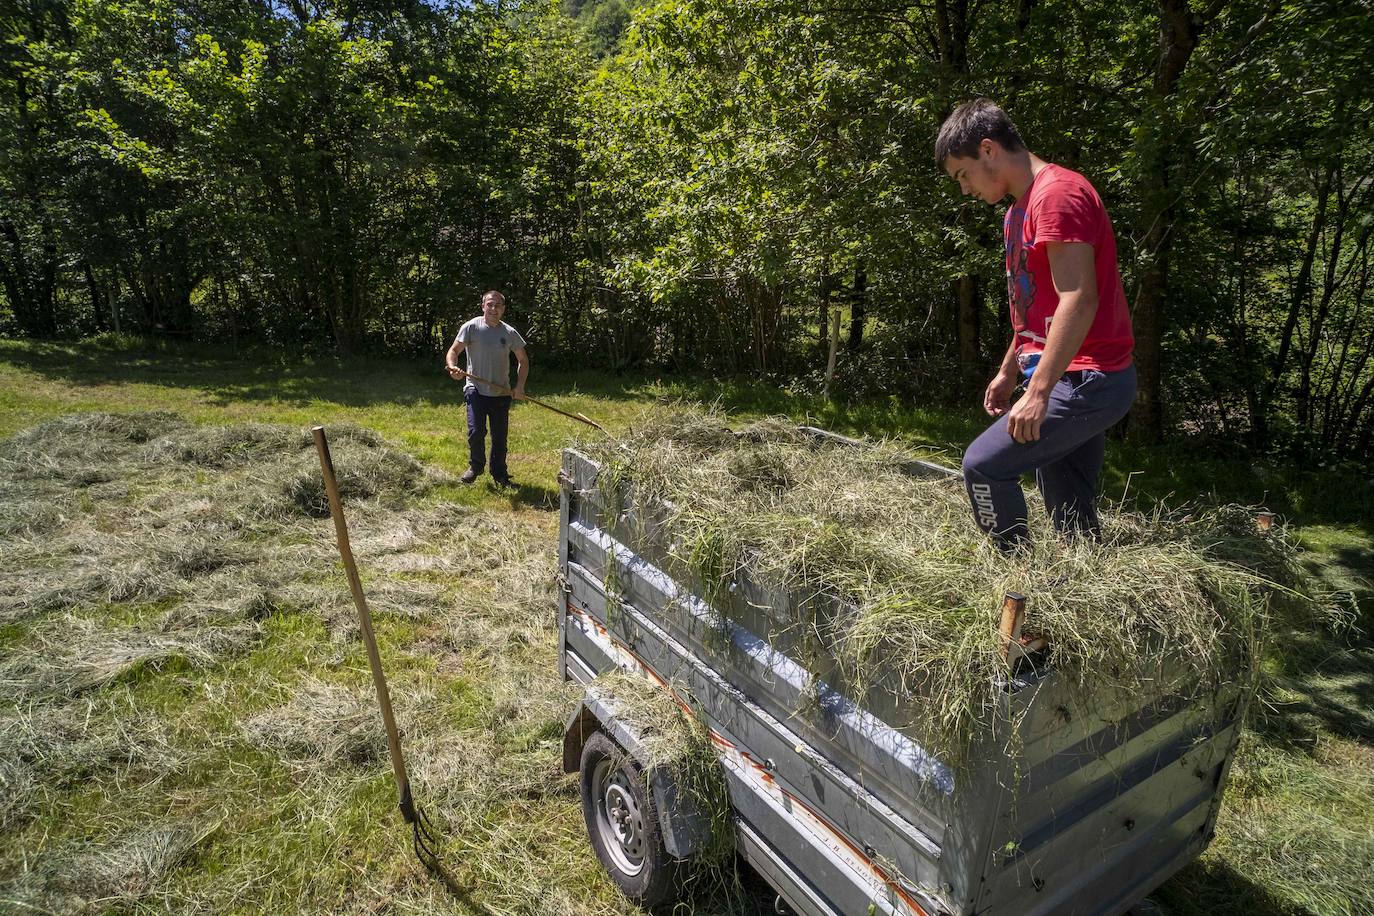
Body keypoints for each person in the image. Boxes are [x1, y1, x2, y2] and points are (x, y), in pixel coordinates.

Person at [935, 99, 1136, 550]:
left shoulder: (1057, 195)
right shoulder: (1017, 212)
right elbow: (1037, 310)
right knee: (1071, 515)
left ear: (988, 150)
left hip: (1089, 377)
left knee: (983, 466)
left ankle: (1014, 577)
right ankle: (1073, 599)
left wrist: (1040, 392)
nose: (964, 189)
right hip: (1066, 371)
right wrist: (1010, 371)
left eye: (962, 174)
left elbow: (1079, 300)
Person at [445, 290, 529, 486]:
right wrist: (452, 367)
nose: (493, 309)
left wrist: (520, 387)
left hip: (501, 392)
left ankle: (499, 474)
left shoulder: (509, 333)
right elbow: (453, 351)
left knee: (499, 437)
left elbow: (523, 361)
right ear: (483, 307)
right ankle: (475, 466)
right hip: (475, 388)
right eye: (489, 304)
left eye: (497, 305)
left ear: (503, 309)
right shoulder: (471, 327)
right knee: (476, 431)